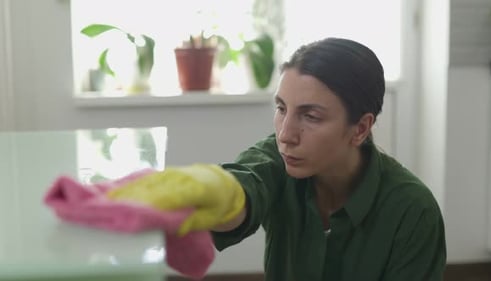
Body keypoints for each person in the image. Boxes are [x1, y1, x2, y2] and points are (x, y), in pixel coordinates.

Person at [108, 37, 447, 281]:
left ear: (360, 128)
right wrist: (207, 193)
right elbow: (245, 186)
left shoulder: (413, 212)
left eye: (310, 116)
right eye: (282, 108)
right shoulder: (280, 159)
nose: (286, 134)